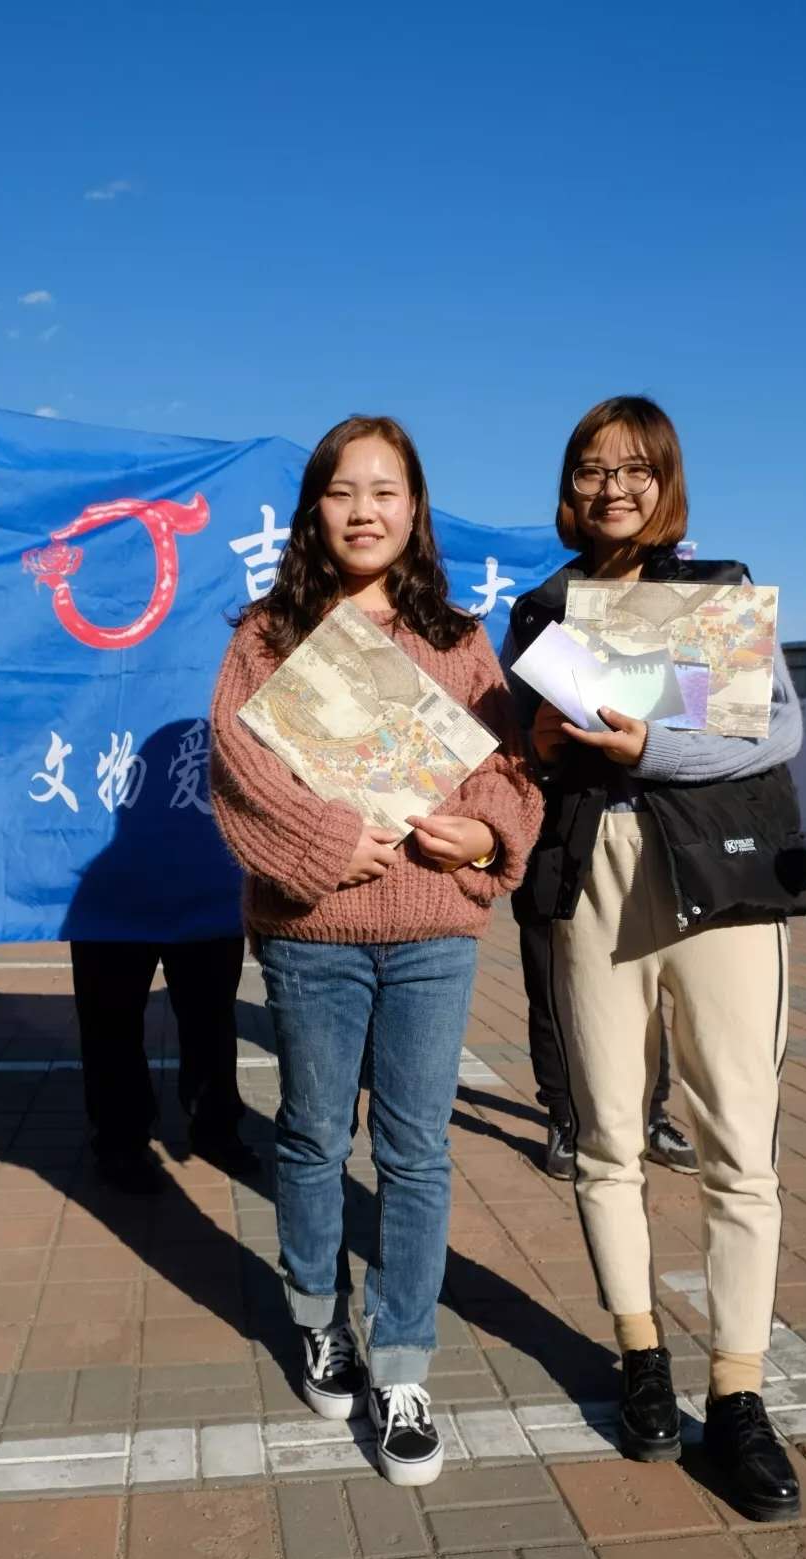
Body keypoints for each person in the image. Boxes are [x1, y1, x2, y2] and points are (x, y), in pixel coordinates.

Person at [209, 416, 541, 1487]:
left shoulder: (457, 635)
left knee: (416, 1152)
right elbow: (238, 763)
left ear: (415, 508)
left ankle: (402, 1364)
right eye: (343, 490)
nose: (364, 510)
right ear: (314, 509)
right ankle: (319, 1320)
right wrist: (325, 844)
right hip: (313, 934)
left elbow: (504, 769)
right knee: (312, 1137)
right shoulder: (269, 635)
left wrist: (484, 835)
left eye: (385, 490)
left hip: (436, 931)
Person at [506, 397, 806, 1523]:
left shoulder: (719, 589)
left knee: (739, 1142)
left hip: (720, 877)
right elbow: (519, 754)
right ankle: (640, 1354)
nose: (613, 489)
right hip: (591, 874)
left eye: (636, 469)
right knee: (606, 1136)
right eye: (593, 469)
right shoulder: (542, 610)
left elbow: (778, 730)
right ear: (569, 487)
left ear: (668, 481)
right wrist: (540, 744)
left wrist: (653, 746)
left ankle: (738, 1393)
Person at [0, 577, 255, 1195]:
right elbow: (10, 643)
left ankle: (216, 1126)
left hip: (200, 867)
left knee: (209, 1016)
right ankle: (119, 1140)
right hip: (102, 879)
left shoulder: (211, 601)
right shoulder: (83, 601)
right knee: (110, 1019)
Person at [517, 909, 697, 1178]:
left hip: (625, 893)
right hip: (550, 892)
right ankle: (563, 1120)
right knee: (550, 991)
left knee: (643, 995)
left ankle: (651, 1118)